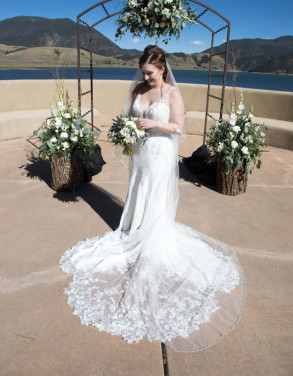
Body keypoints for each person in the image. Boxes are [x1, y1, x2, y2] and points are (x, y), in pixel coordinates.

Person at [59, 45, 246, 352]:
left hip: (160, 153)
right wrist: (127, 129)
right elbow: (127, 119)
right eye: (142, 72)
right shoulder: (137, 89)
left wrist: (154, 123)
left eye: (150, 72)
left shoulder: (172, 94)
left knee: (156, 196)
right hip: (140, 155)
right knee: (139, 190)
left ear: (162, 68)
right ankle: (133, 228)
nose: (145, 77)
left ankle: (151, 234)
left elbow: (179, 128)